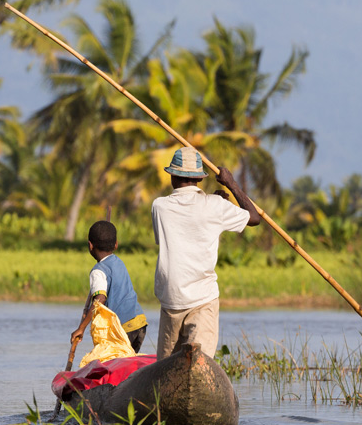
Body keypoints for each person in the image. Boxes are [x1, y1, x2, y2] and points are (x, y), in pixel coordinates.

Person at [151, 147, 261, 360]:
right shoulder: (215, 205)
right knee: (200, 363)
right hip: (202, 298)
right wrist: (231, 184)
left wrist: (216, 203)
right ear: (199, 178)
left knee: (164, 371)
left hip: (170, 299)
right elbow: (254, 217)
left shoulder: (159, 206)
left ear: (173, 176)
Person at [71, 220, 148, 357]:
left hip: (123, 328)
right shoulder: (118, 262)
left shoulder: (98, 271)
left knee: (112, 362)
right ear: (116, 244)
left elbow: (100, 299)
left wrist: (81, 328)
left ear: (90, 246)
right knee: (127, 363)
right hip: (139, 322)